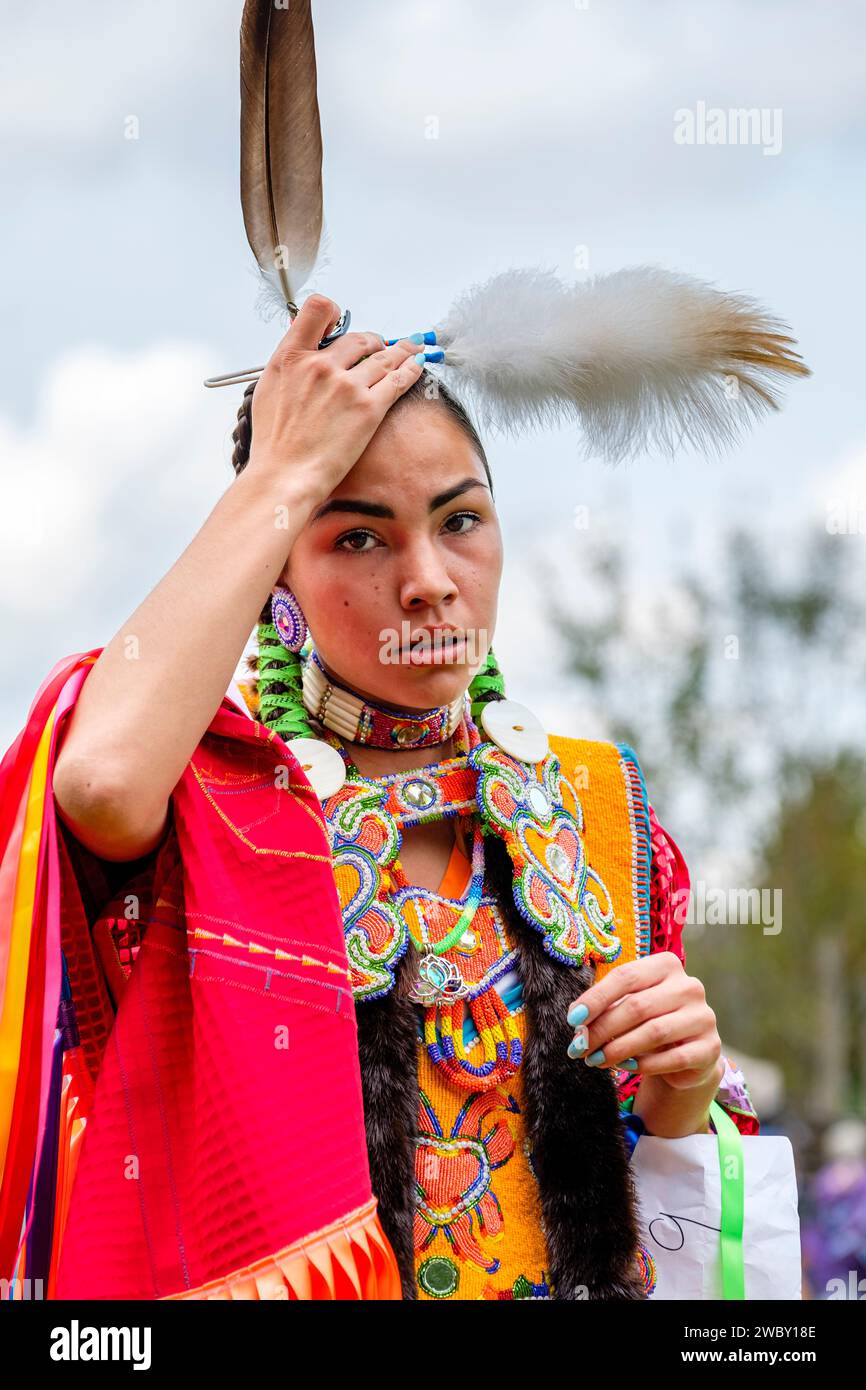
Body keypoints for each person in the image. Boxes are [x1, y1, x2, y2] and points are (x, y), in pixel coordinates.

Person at [2, 293, 757, 1301]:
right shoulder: (219, 811)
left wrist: (684, 1094)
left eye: (460, 520)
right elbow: (96, 784)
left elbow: (655, 1232)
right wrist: (282, 471)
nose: (429, 580)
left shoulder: (597, 805)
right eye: (357, 537)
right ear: (275, 573)